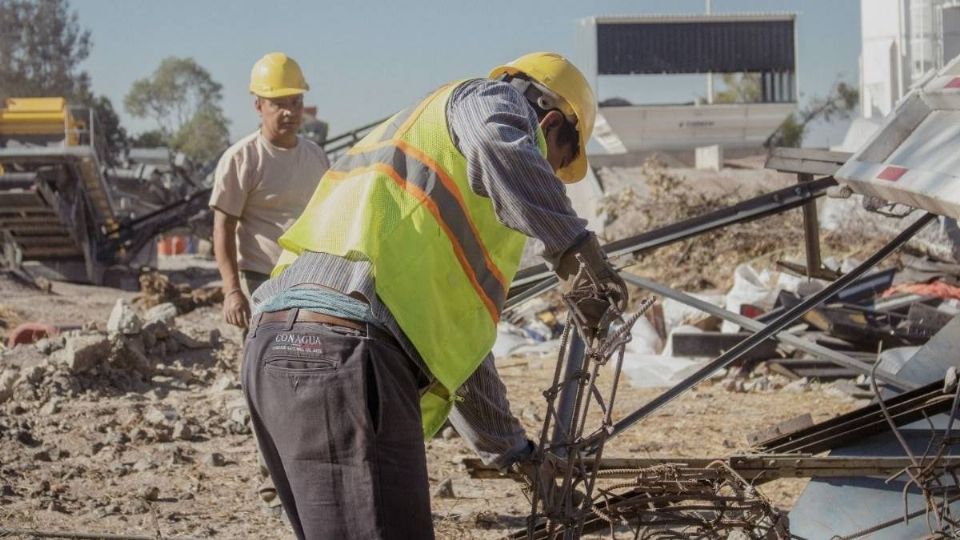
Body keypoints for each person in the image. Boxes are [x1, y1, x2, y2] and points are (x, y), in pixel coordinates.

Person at [243, 52, 628, 539]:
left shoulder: (423, 173)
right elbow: (494, 137)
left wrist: (515, 456)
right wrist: (574, 251)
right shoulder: (486, 100)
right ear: (550, 122)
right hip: (342, 354)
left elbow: (460, 359)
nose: (549, 180)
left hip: (279, 351)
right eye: (557, 163)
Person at [208, 52, 329, 511]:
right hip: (262, 282)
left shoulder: (316, 157)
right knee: (268, 382)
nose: (289, 111)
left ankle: (304, 470)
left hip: (310, 281)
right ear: (258, 105)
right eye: (278, 102)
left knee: (312, 379)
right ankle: (270, 476)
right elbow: (223, 228)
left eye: (295, 102)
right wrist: (232, 289)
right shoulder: (243, 159)